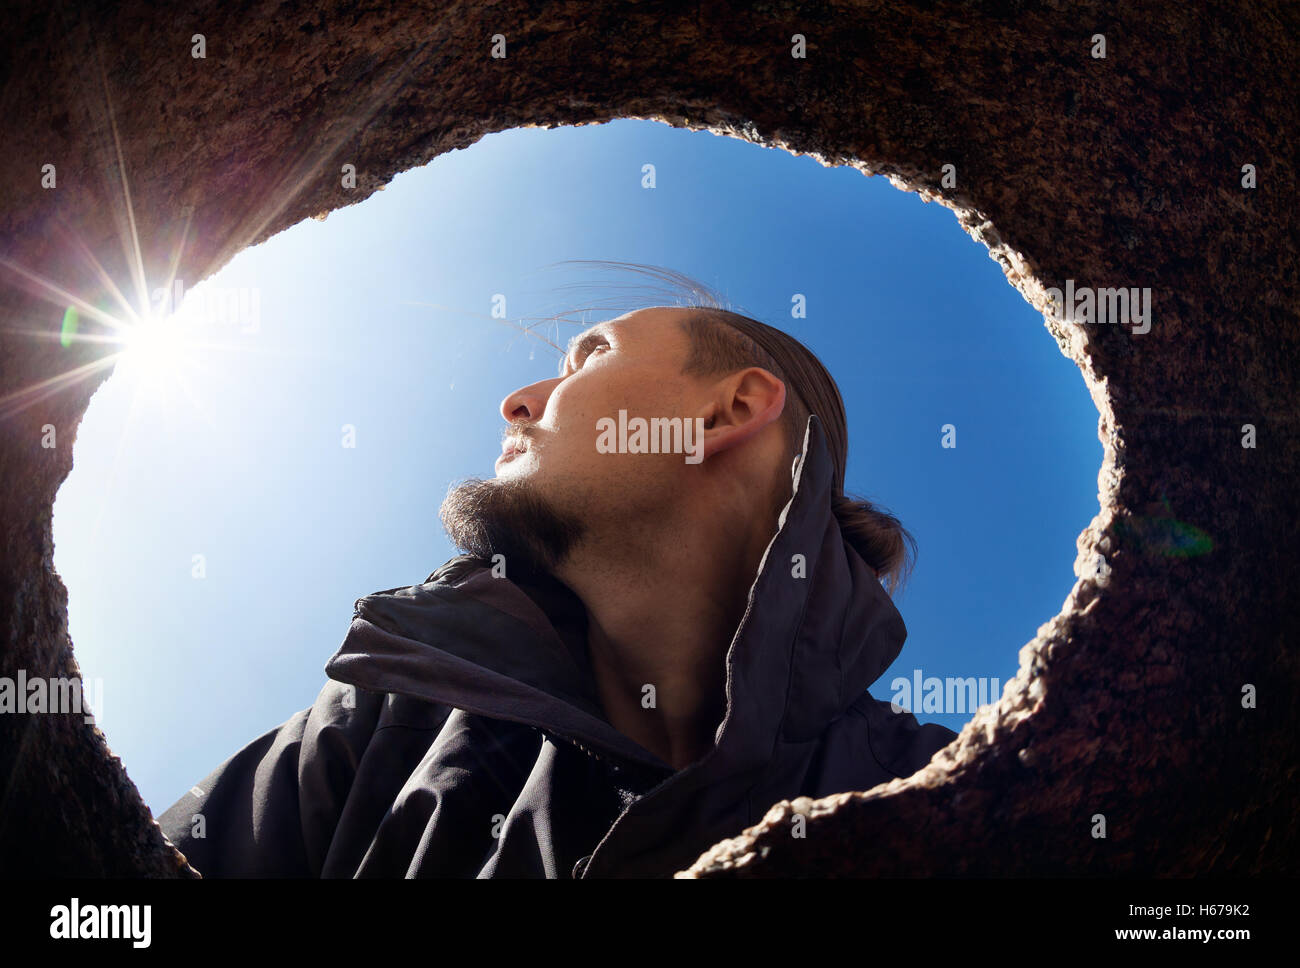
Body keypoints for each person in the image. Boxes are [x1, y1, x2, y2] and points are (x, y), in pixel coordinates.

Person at [156, 278, 957, 878]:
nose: (517, 401)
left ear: (723, 414)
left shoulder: (934, 788)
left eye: (589, 356)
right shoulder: (387, 721)